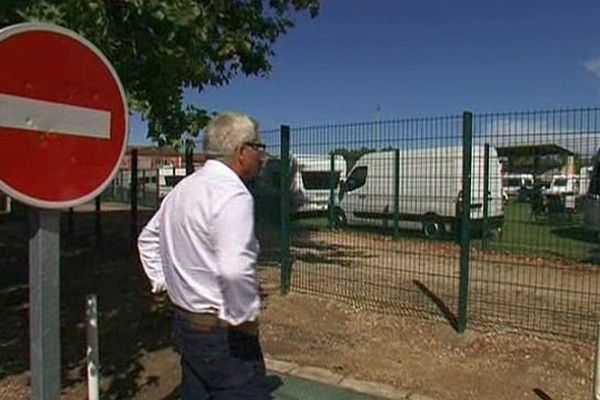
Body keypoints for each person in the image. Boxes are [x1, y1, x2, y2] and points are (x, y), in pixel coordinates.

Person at [137, 112, 275, 399]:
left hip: (186, 326)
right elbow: (235, 270)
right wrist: (246, 319)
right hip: (222, 336)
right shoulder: (233, 194)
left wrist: (163, 282)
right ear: (241, 151)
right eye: (258, 148)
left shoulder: (183, 189)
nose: (262, 156)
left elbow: (147, 239)